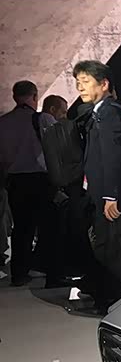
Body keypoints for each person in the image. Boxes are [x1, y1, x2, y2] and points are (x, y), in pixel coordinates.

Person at [74, 60, 121, 315]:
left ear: (103, 84)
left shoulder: (110, 113)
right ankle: (114, 303)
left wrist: (110, 195)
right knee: (111, 251)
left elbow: (115, 156)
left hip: (115, 199)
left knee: (113, 253)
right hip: (107, 197)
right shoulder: (103, 112)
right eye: (78, 82)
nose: (80, 87)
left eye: (86, 81)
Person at [0, 80, 60, 287]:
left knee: (21, 228)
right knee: (48, 228)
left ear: (14, 97)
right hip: (40, 180)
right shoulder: (43, 119)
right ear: (35, 96)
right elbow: (56, 148)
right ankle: (52, 274)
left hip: (15, 181)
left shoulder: (3, 122)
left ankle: (19, 273)